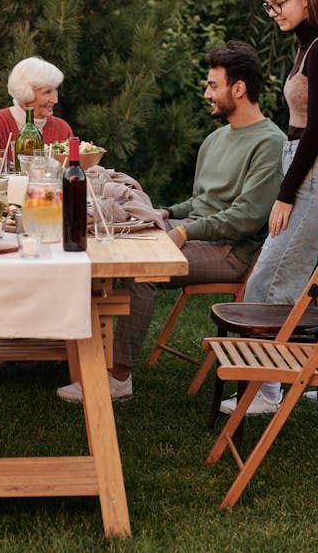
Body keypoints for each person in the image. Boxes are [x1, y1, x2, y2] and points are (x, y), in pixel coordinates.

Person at [57, 42, 285, 402]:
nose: (206, 92)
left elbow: (245, 217)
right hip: (198, 234)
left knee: (141, 271)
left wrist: (182, 231)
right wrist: (165, 213)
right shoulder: (216, 138)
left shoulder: (270, 143)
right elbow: (201, 201)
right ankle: (71, 352)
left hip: (231, 251)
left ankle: (118, 378)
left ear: (238, 89)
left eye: (213, 85)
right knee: (105, 244)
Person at [218, 0, 318, 417]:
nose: (274, 12)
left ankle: (265, 389)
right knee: (304, 276)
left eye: (279, 3)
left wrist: (285, 193)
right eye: (269, 6)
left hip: (316, 167)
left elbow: (317, 129)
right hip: (307, 163)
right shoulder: (307, 47)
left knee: (269, 277)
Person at [0, 56, 74, 148]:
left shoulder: (62, 129)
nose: (55, 100)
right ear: (25, 92)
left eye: (55, 91)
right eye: (47, 92)